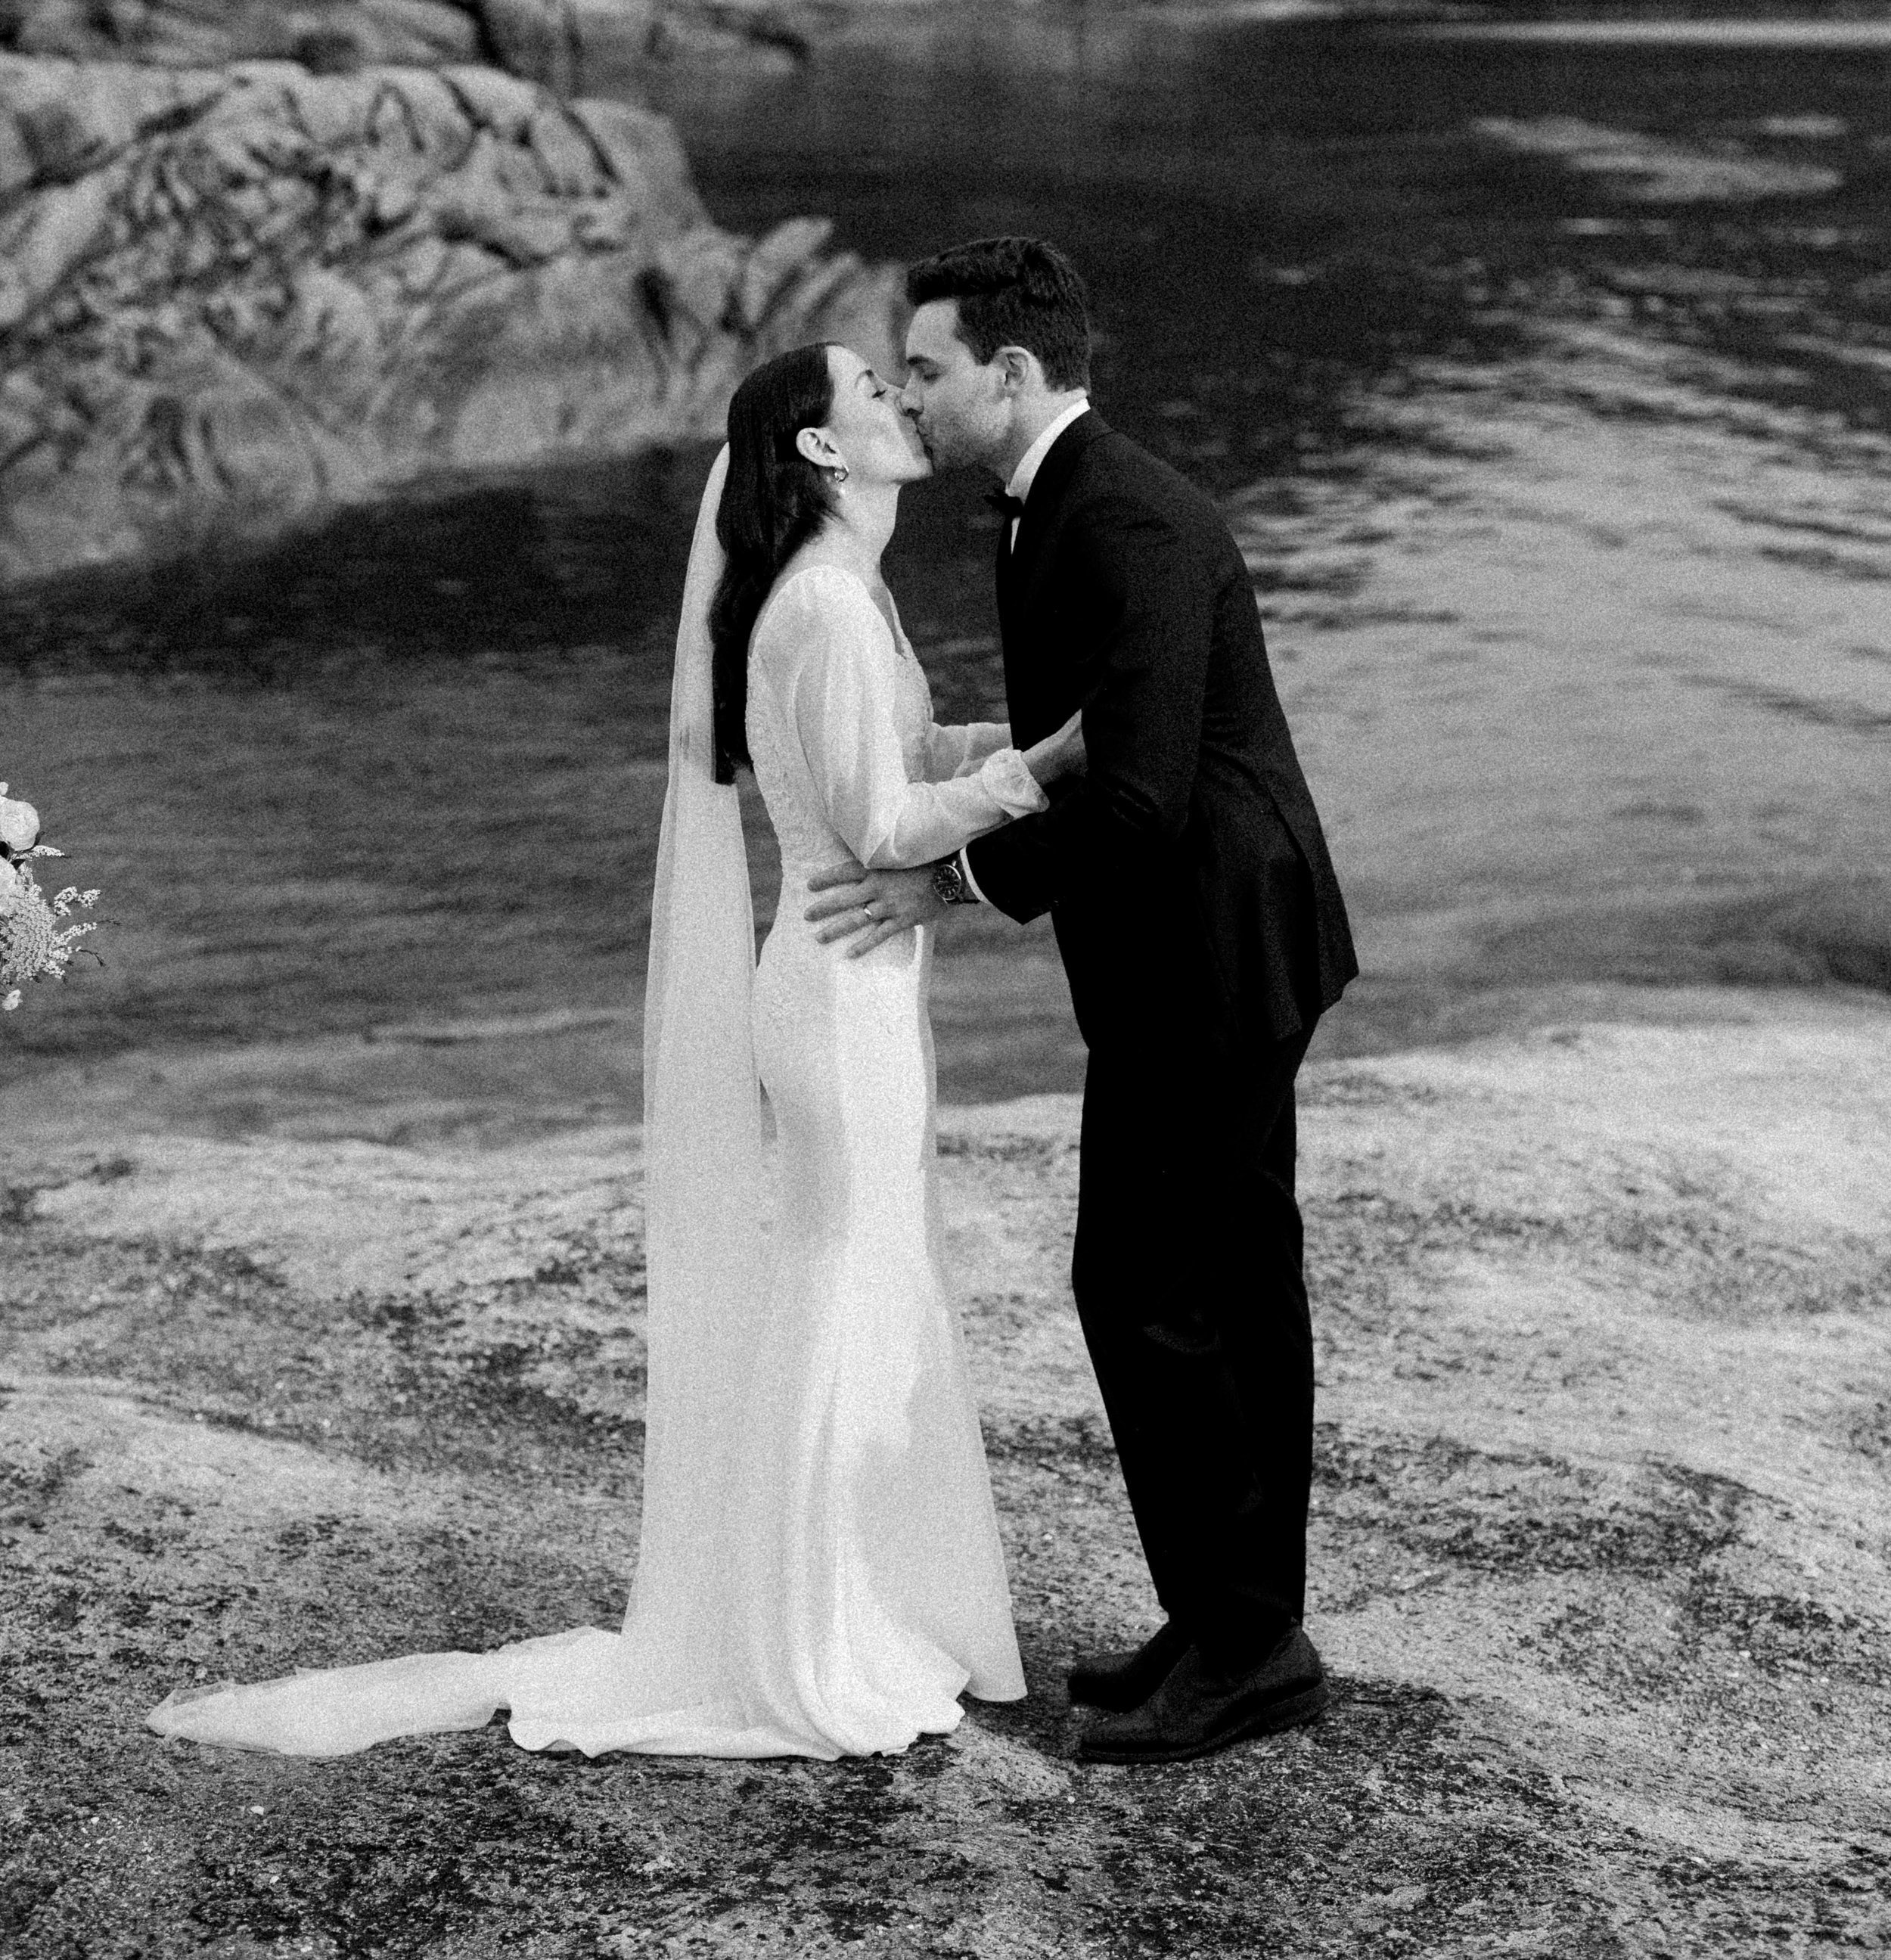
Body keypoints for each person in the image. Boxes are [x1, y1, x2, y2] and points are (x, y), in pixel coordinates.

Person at [146, 340, 1082, 1761]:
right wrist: (1054, 769)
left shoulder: (845, 598)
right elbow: (888, 833)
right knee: (845, 1277)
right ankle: (800, 1636)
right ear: (821, 450)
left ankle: (841, 1593)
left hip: (855, 983)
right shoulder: (823, 604)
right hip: (834, 992)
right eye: (872, 390)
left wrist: (1024, 735)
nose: (903, 399)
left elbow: (901, 755)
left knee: (874, 1272)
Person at [806, 238, 1358, 1766]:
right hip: (1199, 949)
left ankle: (1242, 1644)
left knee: (1150, 1291)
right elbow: (1080, 740)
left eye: (924, 369)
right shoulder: (1058, 505)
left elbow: (1136, 802)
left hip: (1212, 954)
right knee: (1229, 1284)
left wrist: (947, 887)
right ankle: (1239, 1625)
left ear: (1013, 373)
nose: (909, 395)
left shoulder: (1119, 518)